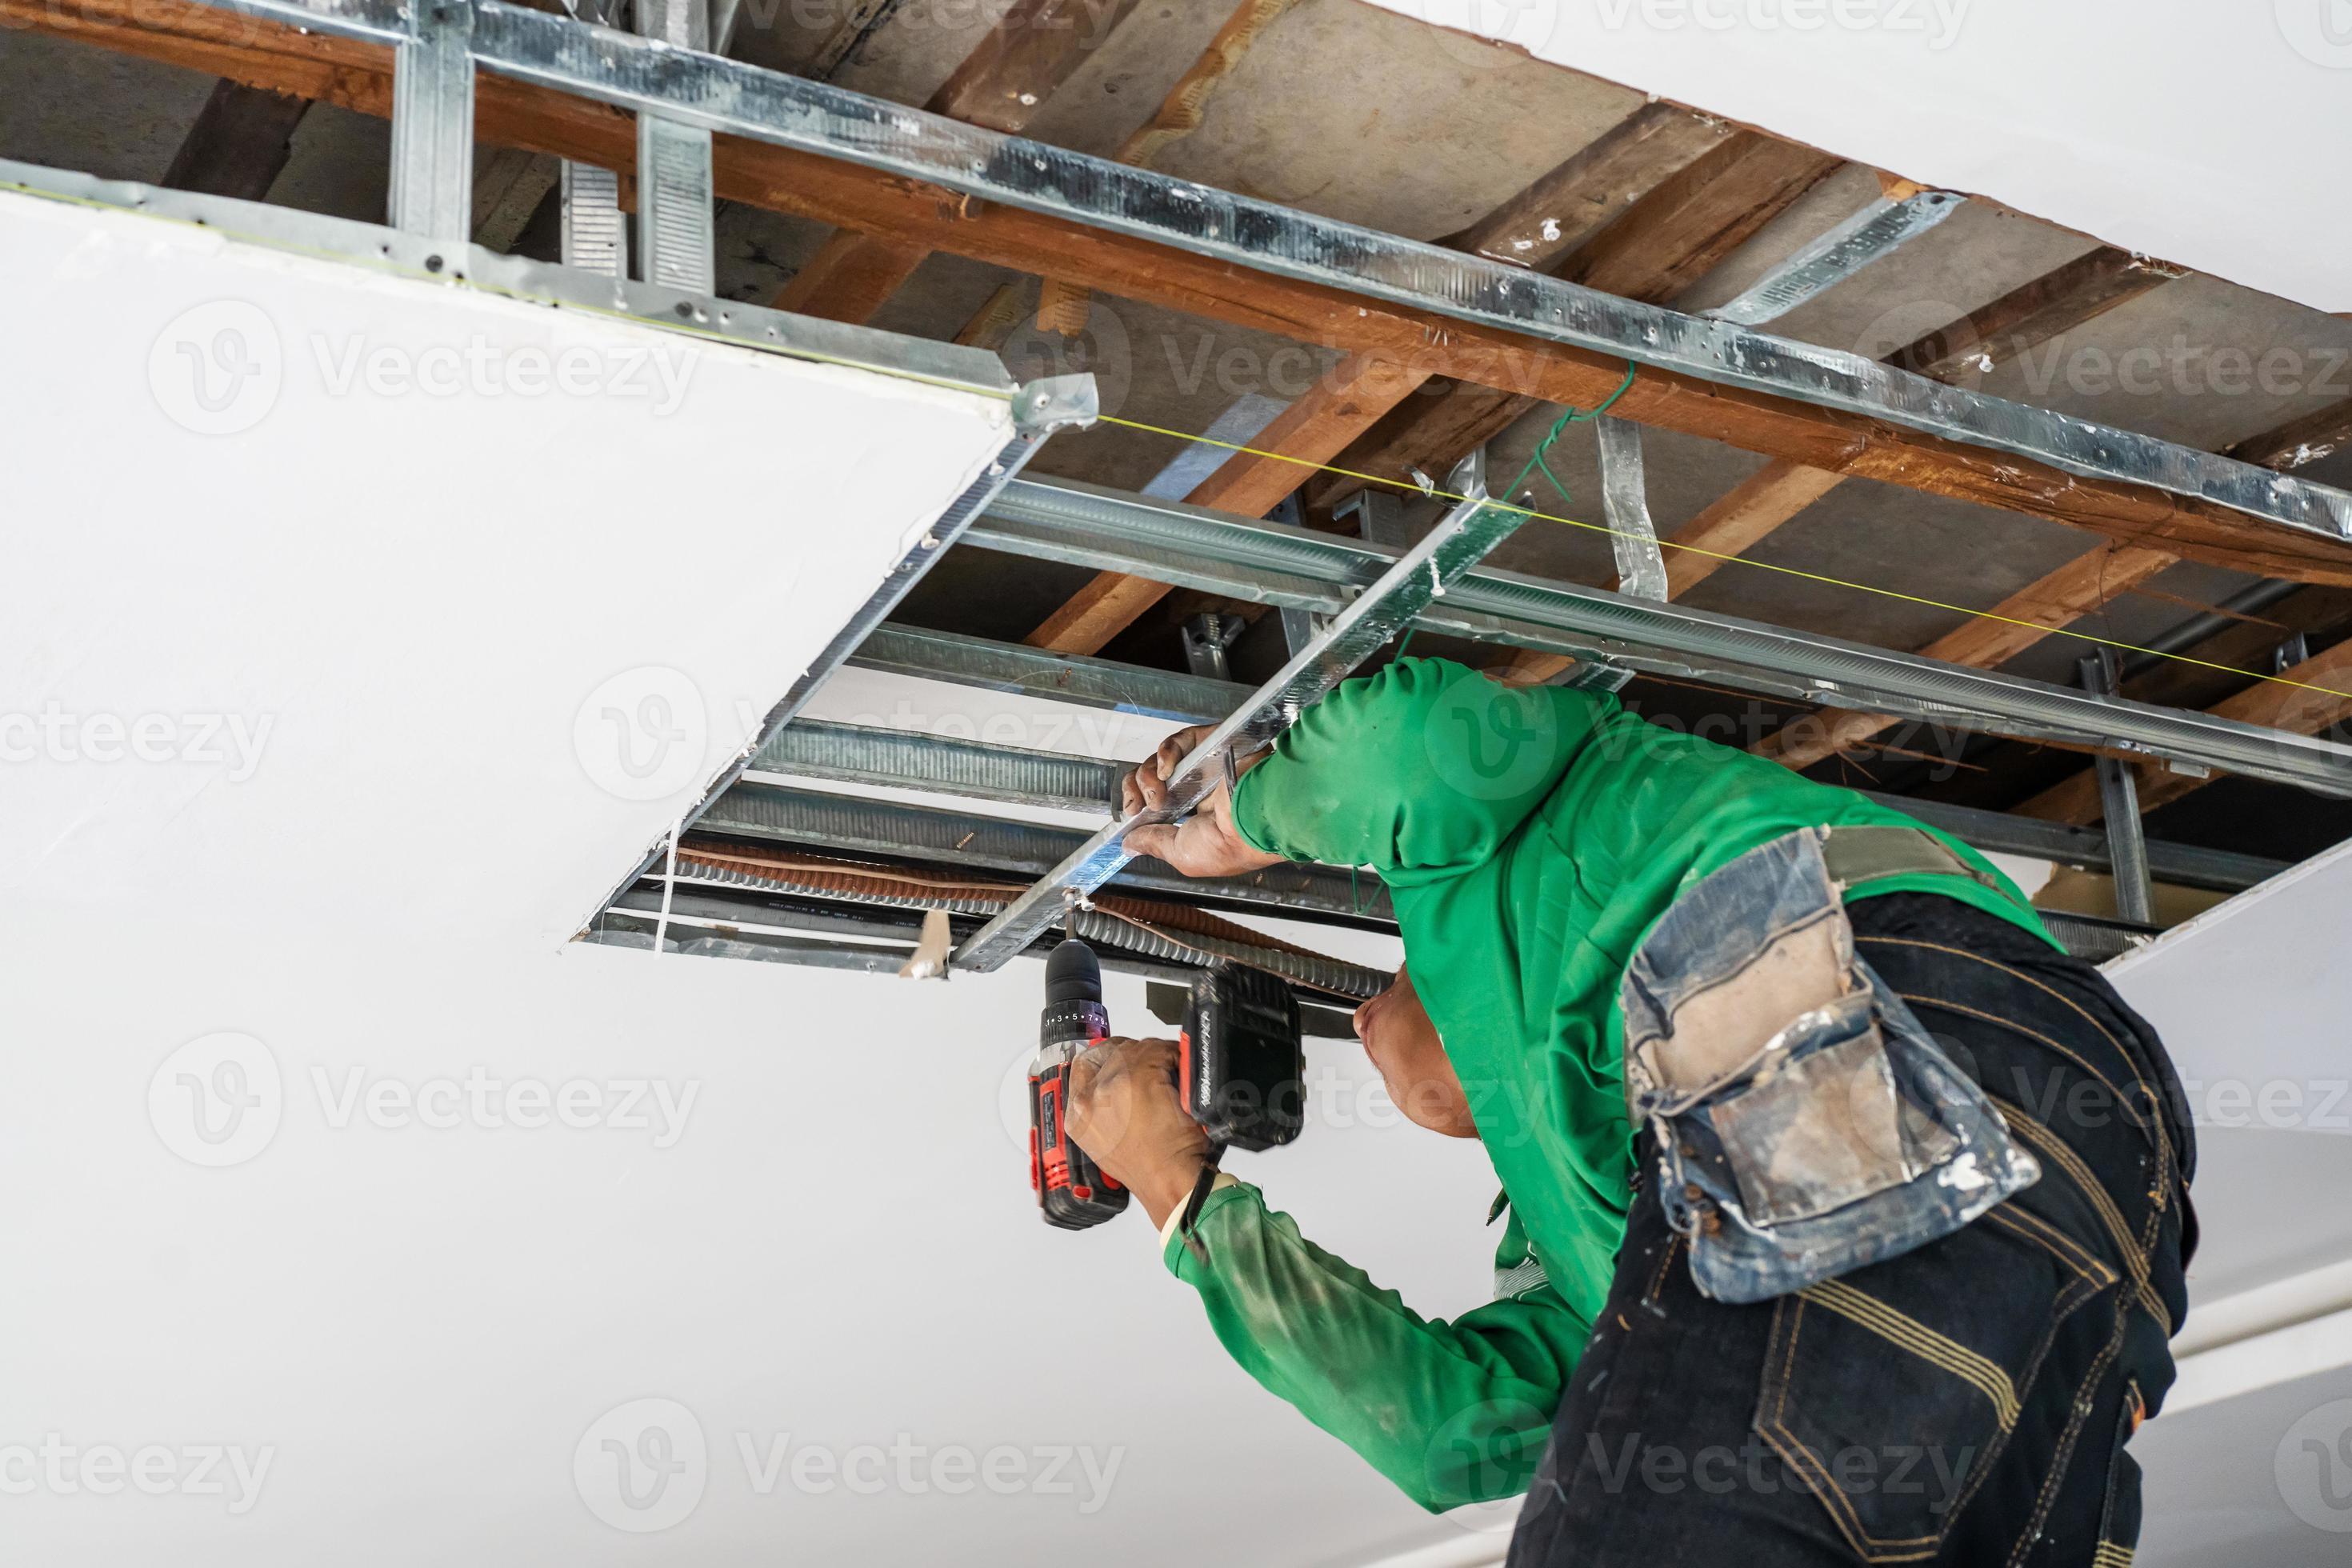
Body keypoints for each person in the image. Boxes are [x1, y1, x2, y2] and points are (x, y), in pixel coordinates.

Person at [1064, 656, 2193, 1566]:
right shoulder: (1605, 1248)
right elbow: (1449, 1431)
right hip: (1993, 1092)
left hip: (1919, 1034)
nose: (1361, 1023)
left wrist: (1247, 815)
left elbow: (1412, 749)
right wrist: (1185, 1195)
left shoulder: (1568, 808)